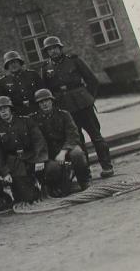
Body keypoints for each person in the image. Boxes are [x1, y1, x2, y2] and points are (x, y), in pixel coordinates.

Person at [40, 35, 114, 178]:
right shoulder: (45, 68)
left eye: (55, 48)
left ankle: (106, 166)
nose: (53, 51)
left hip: (83, 104)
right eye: (50, 49)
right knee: (77, 140)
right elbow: (46, 91)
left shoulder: (74, 60)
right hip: (65, 108)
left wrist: (89, 98)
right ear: (47, 52)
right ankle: (85, 171)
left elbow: (92, 80)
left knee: (96, 136)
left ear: (60, 48)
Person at [0, 96, 48, 203]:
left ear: (10, 108)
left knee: (51, 171)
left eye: (5, 108)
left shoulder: (26, 120)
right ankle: (31, 191)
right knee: (27, 198)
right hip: (15, 163)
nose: (3, 112)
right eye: (0, 110)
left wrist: (40, 159)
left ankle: (48, 187)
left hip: (32, 156)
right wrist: (5, 172)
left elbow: (39, 140)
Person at [31, 88, 91, 195]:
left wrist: (63, 152)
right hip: (48, 152)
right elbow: (37, 140)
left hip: (65, 148)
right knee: (52, 168)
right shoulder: (34, 119)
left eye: (47, 101)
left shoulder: (64, 114)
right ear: (38, 104)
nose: (44, 104)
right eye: (41, 102)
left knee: (77, 153)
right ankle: (56, 186)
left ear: (52, 101)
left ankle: (84, 181)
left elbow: (73, 135)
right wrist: (41, 158)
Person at [0, 50, 43, 117]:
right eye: (10, 63)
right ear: (7, 66)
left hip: (37, 111)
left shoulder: (33, 75)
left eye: (15, 62)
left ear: (20, 63)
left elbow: (43, 93)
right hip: (18, 115)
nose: (13, 65)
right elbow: (2, 103)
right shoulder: (2, 82)